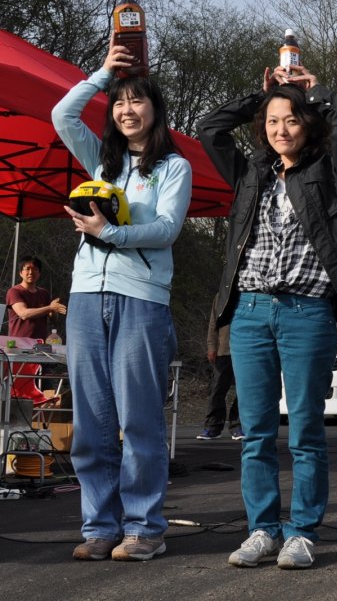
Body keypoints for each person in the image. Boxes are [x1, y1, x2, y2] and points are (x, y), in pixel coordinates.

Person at [197, 62, 337, 570]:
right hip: (250, 312)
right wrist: (266, 96)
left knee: (305, 431)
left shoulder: (329, 172)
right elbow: (210, 127)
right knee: (255, 433)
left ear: (308, 124)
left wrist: (312, 91)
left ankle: (302, 533)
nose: (281, 129)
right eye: (273, 121)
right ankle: (262, 530)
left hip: (307, 312)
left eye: (291, 120)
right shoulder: (249, 173)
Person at [51, 36, 192, 562]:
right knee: (91, 422)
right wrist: (103, 74)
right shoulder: (101, 160)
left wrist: (108, 233)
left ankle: (145, 529)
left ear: (156, 109)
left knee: (138, 421)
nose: (127, 110)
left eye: (137, 100)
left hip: (142, 300)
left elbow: (167, 229)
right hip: (86, 297)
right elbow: (62, 115)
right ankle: (100, 528)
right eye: (119, 102)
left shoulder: (173, 167)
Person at [5, 255, 67, 403]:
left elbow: (53, 320)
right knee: (19, 390)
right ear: (20, 272)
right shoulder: (14, 292)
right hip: (19, 350)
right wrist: (49, 308)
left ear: (39, 273)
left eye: (35, 269)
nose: (31, 272)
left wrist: (53, 311)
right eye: (27, 269)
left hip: (41, 349)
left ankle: (45, 412)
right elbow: (24, 314)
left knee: (46, 389)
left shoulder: (43, 293)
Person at [196, 300, 242, 440]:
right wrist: (211, 346)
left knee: (244, 390)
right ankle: (213, 427)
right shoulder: (221, 295)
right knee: (217, 389)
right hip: (224, 349)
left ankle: (238, 426)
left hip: (246, 349)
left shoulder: (251, 291)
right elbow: (213, 323)